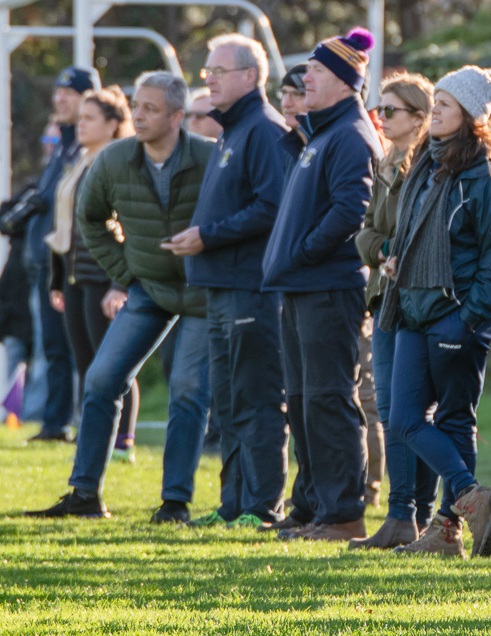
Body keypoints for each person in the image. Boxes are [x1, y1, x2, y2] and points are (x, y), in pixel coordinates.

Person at [25, 71, 213, 522]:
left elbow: (241, 216)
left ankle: (175, 502)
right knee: (101, 380)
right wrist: (125, 273)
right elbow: (90, 220)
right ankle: (85, 495)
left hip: (202, 295)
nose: (139, 114)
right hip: (146, 288)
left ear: (176, 116)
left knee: (187, 390)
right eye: (137, 105)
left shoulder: (210, 158)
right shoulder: (114, 159)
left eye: (150, 108)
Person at [376, 65, 491, 558]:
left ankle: (445, 533)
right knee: (404, 420)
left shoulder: (489, 178)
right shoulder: (424, 166)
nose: (434, 110)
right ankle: (470, 496)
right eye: (435, 101)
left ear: (471, 116)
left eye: (445, 104)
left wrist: (471, 317)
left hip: (457, 317)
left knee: (456, 420)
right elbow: (409, 231)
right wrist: (398, 255)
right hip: (410, 311)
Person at [161, 34, 290, 530]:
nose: (208, 78)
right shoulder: (232, 131)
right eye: (207, 71)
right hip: (219, 285)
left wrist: (207, 237)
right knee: (230, 400)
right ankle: (233, 504)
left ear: (250, 76)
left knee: (255, 397)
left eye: (218, 70)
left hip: (248, 287)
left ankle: (260, 508)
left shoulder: (263, 130)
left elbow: (271, 208)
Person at [260, 28, 380, 543]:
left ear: (343, 82)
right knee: (305, 398)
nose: (304, 77)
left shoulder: (351, 135)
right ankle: (312, 507)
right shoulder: (324, 133)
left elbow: (352, 211)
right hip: (303, 286)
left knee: (329, 398)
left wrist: (303, 253)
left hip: (328, 286)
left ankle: (341, 514)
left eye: (315, 70)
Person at [349, 70, 439, 550]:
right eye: (379, 109)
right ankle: (407, 517)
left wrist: (391, 249)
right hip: (385, 294)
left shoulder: (425, 167)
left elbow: (423, 234)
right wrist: (381, 248)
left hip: (414, 300)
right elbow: (364, 230)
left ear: (420, 118)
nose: (379, 118)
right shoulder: (386, 161)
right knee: (396, 409)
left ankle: (410, 514)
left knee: (404, 409)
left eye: (390, 110)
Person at [44, 86, 140, 464]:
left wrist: (118, 284)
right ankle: (94, 436)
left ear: (113, 124)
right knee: (87, 363)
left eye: (89, 118)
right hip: (76, 277)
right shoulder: (81, 159)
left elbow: (127, 225)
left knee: (113, 362)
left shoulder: (118, 161)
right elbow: (62, 226)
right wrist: (57, 279)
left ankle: (124, 440)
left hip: (104, 277)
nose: (80, 124)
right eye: (80, 117)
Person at [23, 67, 98, 442]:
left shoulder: (87, 148)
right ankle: (54, 423)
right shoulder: (62, 144)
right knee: (53, 346)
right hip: (47, 261)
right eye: (58, 92)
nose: (60, 99)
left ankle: (86, 423)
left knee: (80, 348)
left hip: (79, 266)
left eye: (69, 93)